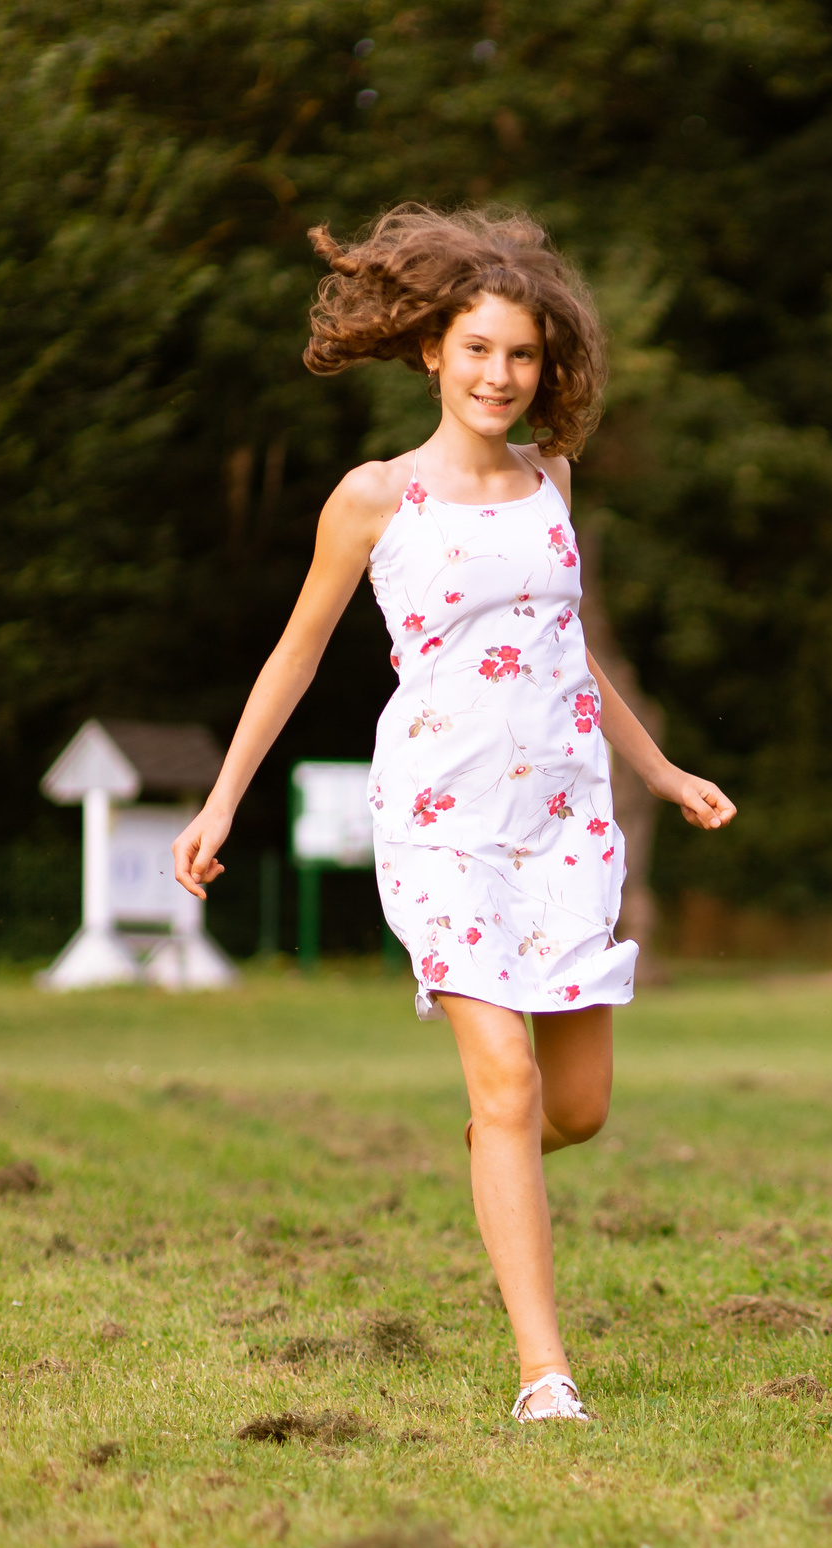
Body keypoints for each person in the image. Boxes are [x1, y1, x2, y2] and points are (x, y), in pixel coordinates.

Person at [171, 205, 736, 1420]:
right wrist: (221, 802)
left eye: (522, 354)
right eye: (478, 348)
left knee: (574, 1109)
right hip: (442, 821)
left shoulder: (551, 481)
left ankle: (494, 1153)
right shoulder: (375, 499)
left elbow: (563, 652)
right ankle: (545, 1374)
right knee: (508, 1084)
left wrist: (661, 771)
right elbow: (295, 655)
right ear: (433, 350)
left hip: (565, 823)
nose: (500, 374)